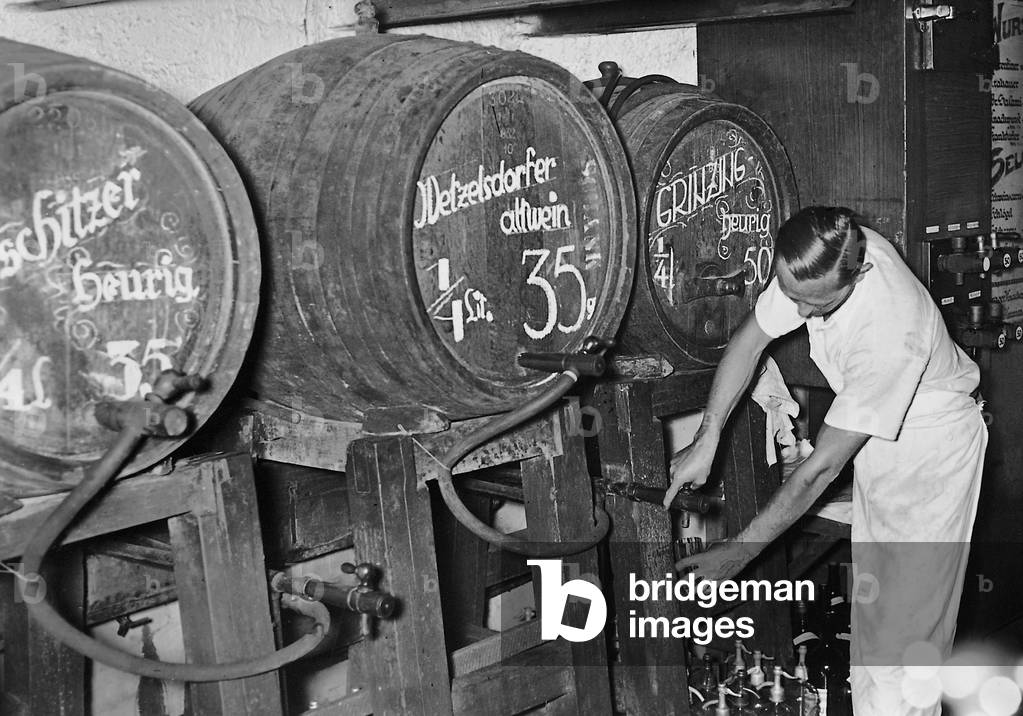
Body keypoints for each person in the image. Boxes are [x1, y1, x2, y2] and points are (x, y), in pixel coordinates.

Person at [668, 207, 987, 715]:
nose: (800, 311)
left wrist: (738, 554)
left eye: (815, 305)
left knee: (904, 653)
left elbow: (819, 471)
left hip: (931, 457)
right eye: (791, 295)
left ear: (860, 273)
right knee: (876, 634)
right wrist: (707, 437)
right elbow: (752, 338)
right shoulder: (822, 253)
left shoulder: (890, 328)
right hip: (885, 444)